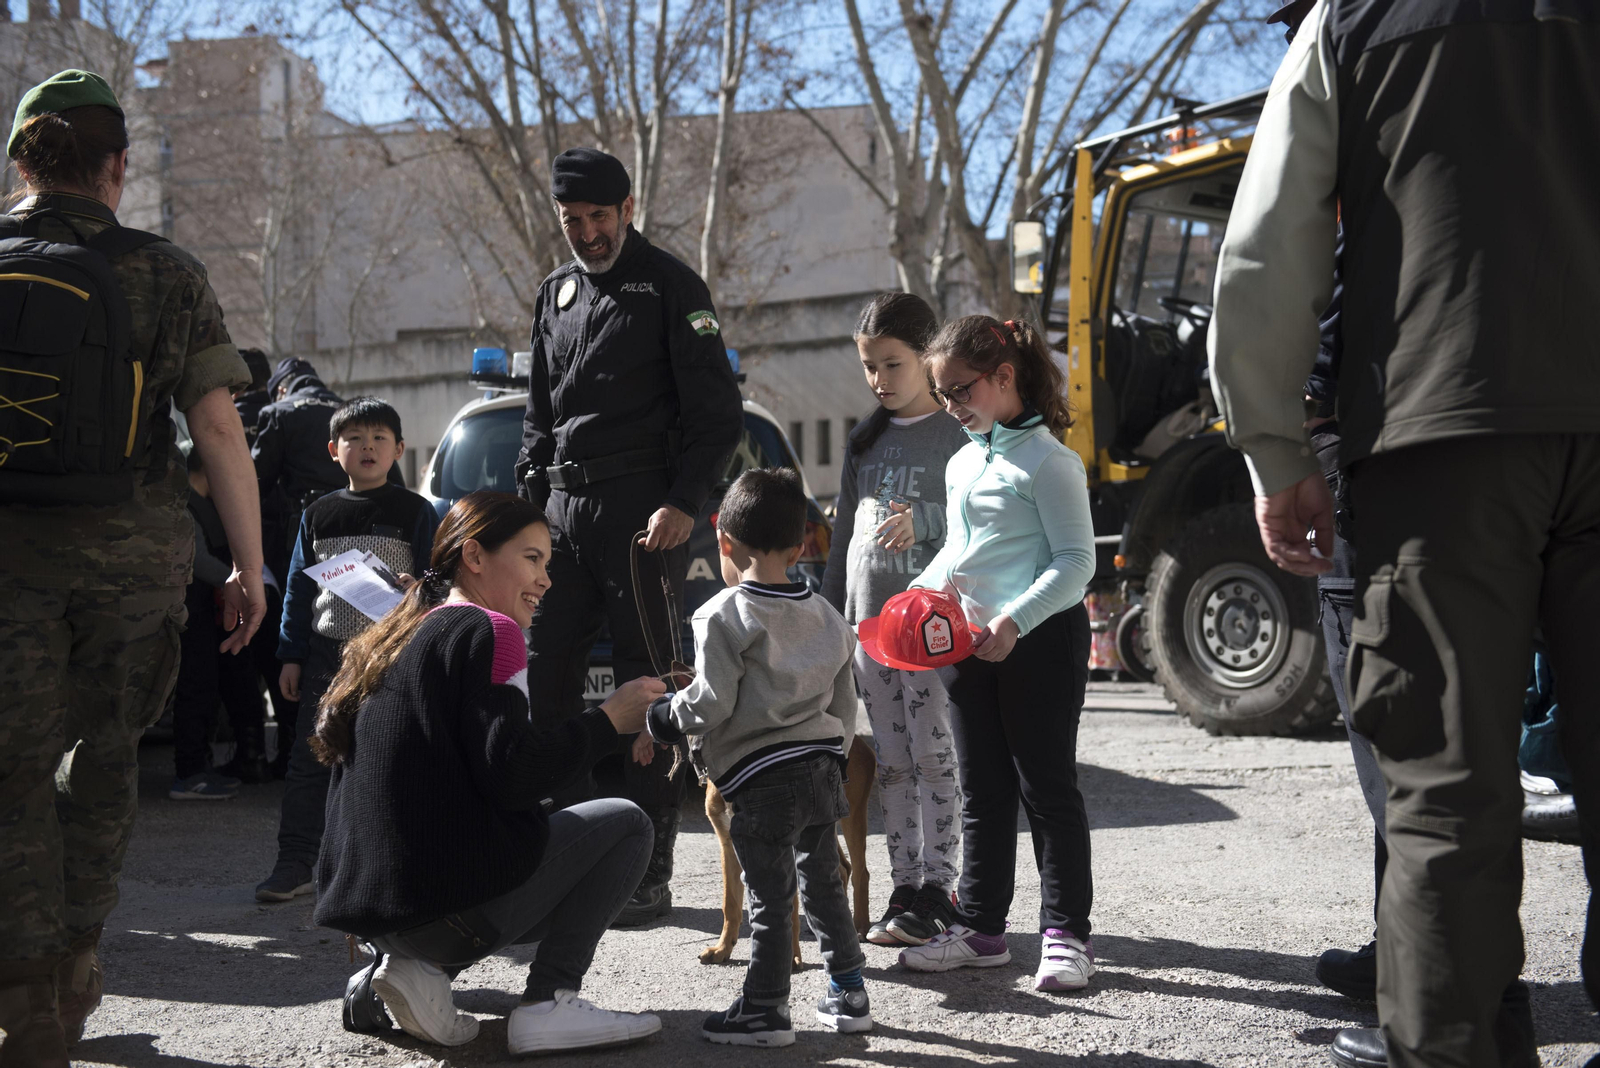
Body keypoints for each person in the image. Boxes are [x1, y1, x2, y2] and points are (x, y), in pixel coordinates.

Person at [1206, 3, 1599, 1066]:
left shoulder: (1358, 15)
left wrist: (1273, 448)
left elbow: (1271, 238)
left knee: (1444, 800)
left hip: (1441, 436)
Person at [0, 69, 260, 1065]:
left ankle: (24, 997)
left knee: (10, 769)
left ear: (21, 162)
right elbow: (220, 431)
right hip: (131, 565)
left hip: (4, 567)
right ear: (116, 170)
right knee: (103, 764)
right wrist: (248, 566)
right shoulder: (164, 270)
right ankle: (72, 971)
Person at [312, 491, 668, 1056]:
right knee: (626, 823)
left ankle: (400, 975)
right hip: (438, 916)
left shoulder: (401, 635)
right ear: (473, 557)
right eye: (532, 559)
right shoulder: (492, 630)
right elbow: (514, 775)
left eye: (548, 564)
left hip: (378, 917)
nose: (545, 580)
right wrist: (607, 721)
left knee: (536, 823)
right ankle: (549, 1002)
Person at [515, 146, 743, 925]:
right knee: (544, 679)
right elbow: (538, 415)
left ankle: (646, 869)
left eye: (599, 218)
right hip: (562, 516)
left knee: (648, 685)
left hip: (644, 512)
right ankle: (562, 852)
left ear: (627, 207)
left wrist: (685, 501)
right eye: (573, 221)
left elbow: (719, 417)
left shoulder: (672, 287)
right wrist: (525, 503)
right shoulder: (557, 292)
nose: (587, 234)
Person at [898, 315, 1098, 993]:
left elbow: (1076, 564)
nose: (951, 406)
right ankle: (983, 930)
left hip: (1039, 643)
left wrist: (1013, 621)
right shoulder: (962, 461)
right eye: (943, 394)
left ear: (1004, 377)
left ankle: (1067, 935)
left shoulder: (1050, 460)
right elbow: (958, 555)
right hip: (967, 647)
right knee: (982, 790)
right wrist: (914, 600)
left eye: (960, 390)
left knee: (1047, 790)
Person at [643, 468, 869, 1046]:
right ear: (799, 547)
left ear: (724, 542)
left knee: (771, 897)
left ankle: (765, 1010)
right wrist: (834, 757)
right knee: (822, 885)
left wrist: (663, 717)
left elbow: (711, 702)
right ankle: (848, 991)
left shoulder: (722, 614)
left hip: (763, 782)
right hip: (823, 771)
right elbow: (847, 706)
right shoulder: (828, 616)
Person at [821, 292, 967, 946]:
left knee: (937, 760)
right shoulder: (863, 439)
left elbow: (982, 529)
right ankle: (903, 886)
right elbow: (840, 541)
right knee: (894, 764)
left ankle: (943, 890)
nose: (879, 380)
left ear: (927, 359)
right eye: (868, 367)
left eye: (893, 364)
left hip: (932, 634)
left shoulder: (959, 435)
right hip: (867, 634)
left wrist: (927, 523)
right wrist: (829, 620)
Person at [255, 397, 438, 903]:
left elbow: (440, 580)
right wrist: (290, 654)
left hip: (393, 658)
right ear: (334, 450)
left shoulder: (416, 511)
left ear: (399, 449)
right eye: (355, 438)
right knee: (309, 761)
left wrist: (418, 589)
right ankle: (295, 863)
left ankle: (396, 866)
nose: (368, 447)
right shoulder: (318, 514)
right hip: (325, 659)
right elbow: (296, 587)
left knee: (391, 759)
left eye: (379, 438)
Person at [170, 447, 273, 800]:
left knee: (218, 687)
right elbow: (198, 560)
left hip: (214, 612)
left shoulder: (208, 504)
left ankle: (211, 766)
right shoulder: (183, 505)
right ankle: (190, 773)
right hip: (191, 612)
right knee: (194, 689)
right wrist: (242, 581)